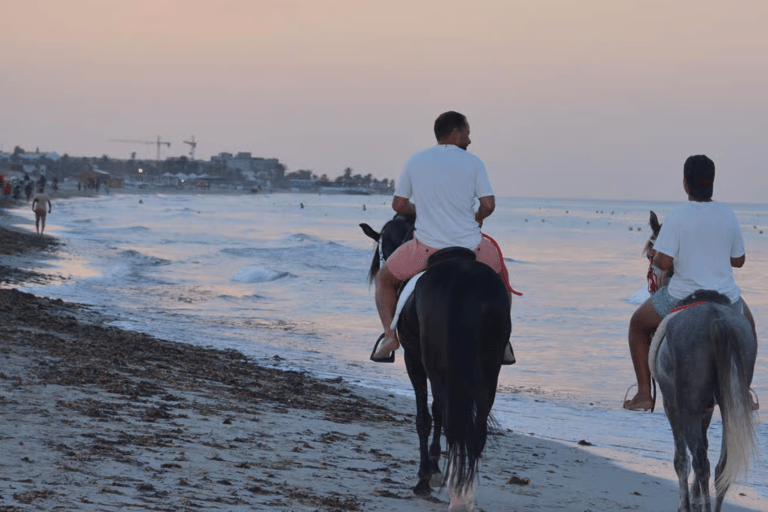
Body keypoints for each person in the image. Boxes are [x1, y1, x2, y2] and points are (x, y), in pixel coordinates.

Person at [371, 111, 515, 363]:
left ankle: (390, 336)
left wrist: (420, 210)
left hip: (427, 248)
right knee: (501, 278)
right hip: (472, 247)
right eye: (468, 134)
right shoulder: (474, 163)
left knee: (384, 280)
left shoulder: (416, 160)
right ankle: (502, 341)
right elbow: (489, 205)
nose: (469, 141)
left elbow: (398, 205)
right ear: (456, 133)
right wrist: (478, 217)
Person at [624, 155, 756, 411]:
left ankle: (643, 395)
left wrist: (661, 254)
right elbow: (739, 261)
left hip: (682, 296)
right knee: (749, 328)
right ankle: (743, 392)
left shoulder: (677, 216)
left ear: (686, 184)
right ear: (712, 184)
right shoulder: (728, 214)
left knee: (637, 325)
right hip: (726, 297)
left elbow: (663, 264)